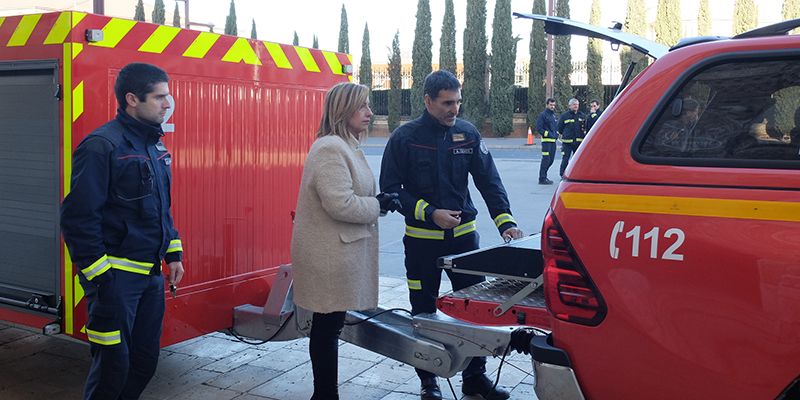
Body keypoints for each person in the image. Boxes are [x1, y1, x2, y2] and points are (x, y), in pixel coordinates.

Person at [380, 70, 524, 400]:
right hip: (421, 244)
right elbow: (390, 191)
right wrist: (431, 214)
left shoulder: (468, 134)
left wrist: (506, 224)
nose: (454, 109)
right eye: (447, 103)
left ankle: (475, 378)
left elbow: (490, 183)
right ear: (427, 100)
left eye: (458, 102)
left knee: (475, 308)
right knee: (423, 310)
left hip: (465, 243)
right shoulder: (404, 138)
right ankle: (428, 381)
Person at [60, 63, 184, 400]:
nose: (167, 103)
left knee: (144, 363)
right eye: (159, 97)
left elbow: (161, 209)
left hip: (150, 279)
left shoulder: (154, 146)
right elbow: (77, 219)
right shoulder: (103, 146)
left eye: (167, 95)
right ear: (132, 98)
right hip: (115, 283)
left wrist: (173, 253)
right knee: (112, 368)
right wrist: (102, 280)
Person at [290, 82, 400, 400]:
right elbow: (340, 204)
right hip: (328, 255)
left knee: (330, 324)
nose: (369, 112)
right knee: (326, 326)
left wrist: (377, 199)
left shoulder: (346, 145)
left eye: (368, 105)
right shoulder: (330, 148)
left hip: (336, 251)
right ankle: (325, 394)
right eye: (362, 106)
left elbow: (350, 195)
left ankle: (326, 393)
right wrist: (379, 205)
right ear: (342, 110)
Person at [557, 98, 586, 178]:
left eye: (577, 104)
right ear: (569, 106)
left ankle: (577, 174)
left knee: (577, 160)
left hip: (578, 142)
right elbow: (560, 128)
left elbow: (585, 128)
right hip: (567, 143)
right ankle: (563, 175)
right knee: (565, 159)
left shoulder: (582, 115)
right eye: (574, 104)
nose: (576, 106)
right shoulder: (564, 116)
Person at [535, 98, 559, 184]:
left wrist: (556, 134)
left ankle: (544, 176)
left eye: (553, 105)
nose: (552, 106)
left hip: (553, 142)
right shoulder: (543, 115)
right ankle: (542, 178)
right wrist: (548, 134)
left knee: (551, 160)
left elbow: (555, 127)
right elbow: (539, 128)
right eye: (551, 105)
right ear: (547, 105)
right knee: (546, 159)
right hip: (546, 142)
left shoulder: (553, 115)